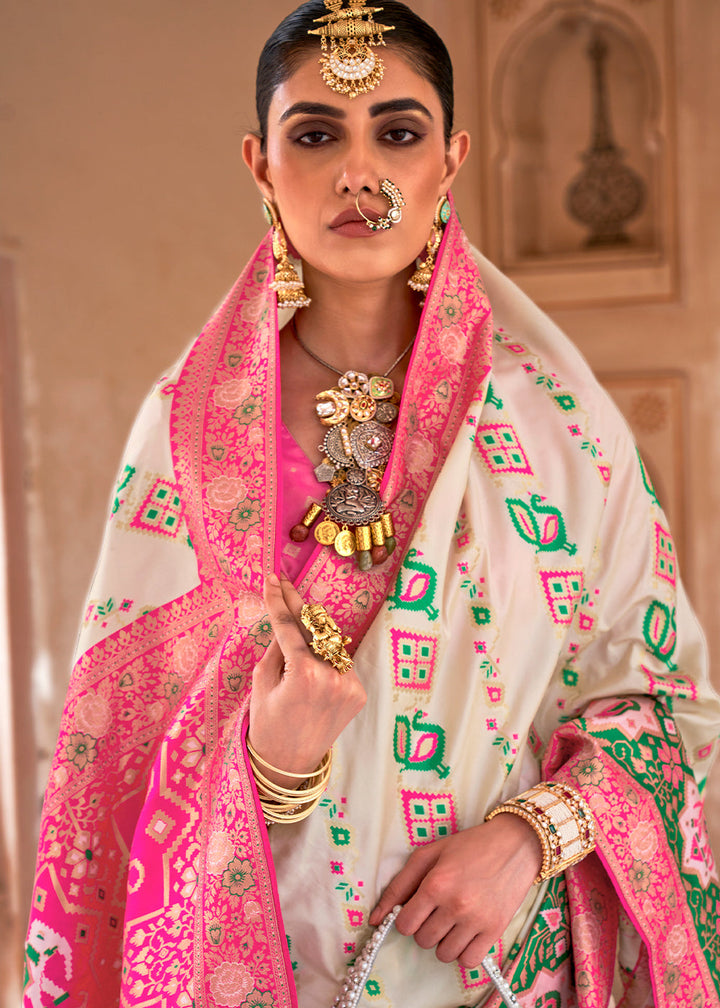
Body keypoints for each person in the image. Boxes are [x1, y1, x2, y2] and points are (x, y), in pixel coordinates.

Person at [23, 2, 720, 1006]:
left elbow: (662, 707)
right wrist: (272, 768)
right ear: (261, 166)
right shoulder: (187, 436)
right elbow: (117, 776)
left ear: (452, 159)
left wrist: (532, 838)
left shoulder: (556, 427)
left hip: (498, 971)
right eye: (316, 136)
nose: (360, 172)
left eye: (398, 133)